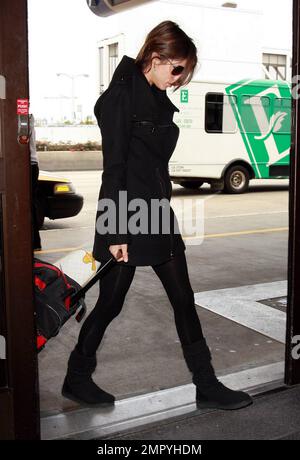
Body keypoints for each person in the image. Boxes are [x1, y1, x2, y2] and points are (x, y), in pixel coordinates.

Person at [62, 21, 253, 410]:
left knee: (183, 297)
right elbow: (114, 169)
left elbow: (154, 166)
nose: (179, 78)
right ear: (155, 56)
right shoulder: (121, 97)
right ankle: (77, 378)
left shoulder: (155, 95)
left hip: (157, 215)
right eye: (177, 68)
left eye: (185, 70)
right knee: (111, 304)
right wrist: (116, 233)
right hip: (126, 217)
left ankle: (206, 384)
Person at [29, 114, 42, 251]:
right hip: (31, 165)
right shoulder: (28, 118)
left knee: (28, 205)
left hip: (29, 165)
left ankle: (34, 242)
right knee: (30, 204)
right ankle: (35, 242)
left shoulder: (24, 118)